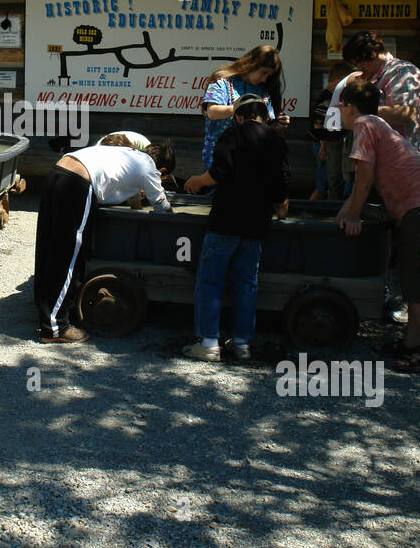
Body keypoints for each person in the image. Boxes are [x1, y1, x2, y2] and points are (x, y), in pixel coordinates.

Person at [334, 79, 420, 373]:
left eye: (341, 107)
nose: (341, 112)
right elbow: (360, 186)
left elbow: (364, 179)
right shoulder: (375, 123)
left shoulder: (364, 125)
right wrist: (340, 214)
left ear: (349, 106)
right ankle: (411, 342)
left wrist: (352, 216)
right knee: (412, 275)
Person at [33, 140, 175, 343]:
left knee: (50, 246)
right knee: (69, 254)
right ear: (162, 170)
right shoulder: (149, 169)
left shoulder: (129, 156)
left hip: (58, 172)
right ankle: (55, 327)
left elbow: (135, 200)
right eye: (163, 178)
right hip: (77, 182)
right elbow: (162, 207)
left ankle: (47, 311)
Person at [181, 97, 289, 361]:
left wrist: (196, 181)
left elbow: (218, 172)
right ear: (264, 116)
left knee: (210, 280)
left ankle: (208, 344)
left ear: (239, 116)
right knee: (246, 284)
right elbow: (281, 187)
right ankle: (241, 343)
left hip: (226, 221)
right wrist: (281, 209)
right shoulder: (276, 141)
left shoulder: (232, 134)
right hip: (256, 225)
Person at [340, 31, 420, 164]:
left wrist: (362, 110)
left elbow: (406, 113)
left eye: (360, 63)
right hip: (390, 160)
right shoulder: (373, 77)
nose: (358, 68)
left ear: (374, 53)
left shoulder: (401, 72)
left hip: (411, 161)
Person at [200, 46, 290, 171]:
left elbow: (264, 128)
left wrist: (277, 125)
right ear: (253, 65)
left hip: (252, 163)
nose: (265, 79)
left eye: (269, 75)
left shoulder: (264, 90)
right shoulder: (223, 81)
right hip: (220, 160)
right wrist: (241, 107)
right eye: (264, 72)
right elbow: (212, 112)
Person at [308, 62, 353, 199]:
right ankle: (311, 211)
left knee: (329, 178)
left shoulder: (329, 96)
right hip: (324, 143)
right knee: (323, 183)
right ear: (338, 82)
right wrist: (323, 146)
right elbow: (318, 122)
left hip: (328, 141)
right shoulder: (327, 98)